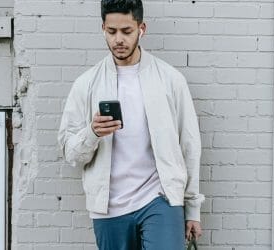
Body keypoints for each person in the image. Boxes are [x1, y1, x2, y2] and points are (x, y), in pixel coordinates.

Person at [57, 0, 204, 249]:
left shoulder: (170, 80)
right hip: (109, 207)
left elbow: (189, 145)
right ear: (103, 28)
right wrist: (92, 133)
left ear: (141, 28)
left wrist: (192, 210)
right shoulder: (86, 84)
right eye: (112, 31)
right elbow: (70, 153)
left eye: (127, 31)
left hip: (160, 199)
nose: (118, 40)